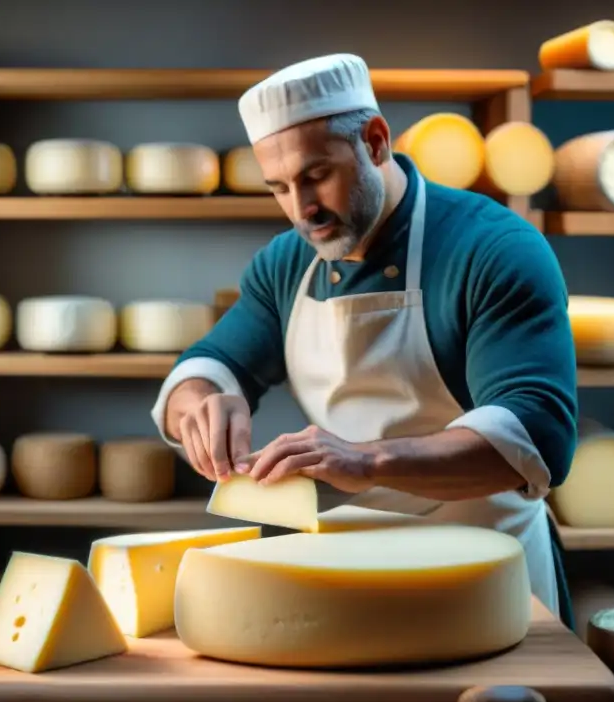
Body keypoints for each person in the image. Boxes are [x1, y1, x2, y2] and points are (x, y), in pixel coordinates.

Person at [150, 53, 578, 618]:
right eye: (278, 187)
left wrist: (366, 461)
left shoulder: (494, 248)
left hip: (489, 567)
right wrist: (201, 405)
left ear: (376, 141)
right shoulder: (285, 264)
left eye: (316, 175)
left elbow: (537, 432)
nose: (301, 210)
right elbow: (209, 363)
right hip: (353, 564)